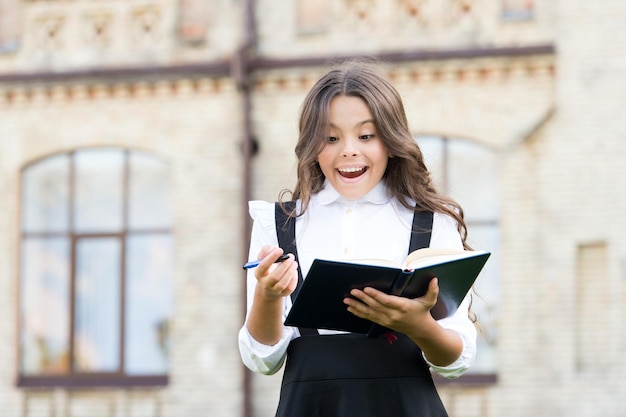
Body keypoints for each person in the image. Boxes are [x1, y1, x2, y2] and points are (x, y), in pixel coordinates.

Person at [238, 60, 477, 417]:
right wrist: (268, 295)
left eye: (366, 136)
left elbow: (455, 360)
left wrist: (418, 325)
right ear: (311, 144)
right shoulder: (279, 223)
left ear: (391, 141)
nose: (348, 150)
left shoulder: (430, 223)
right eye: (331, 138)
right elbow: (263, 359)